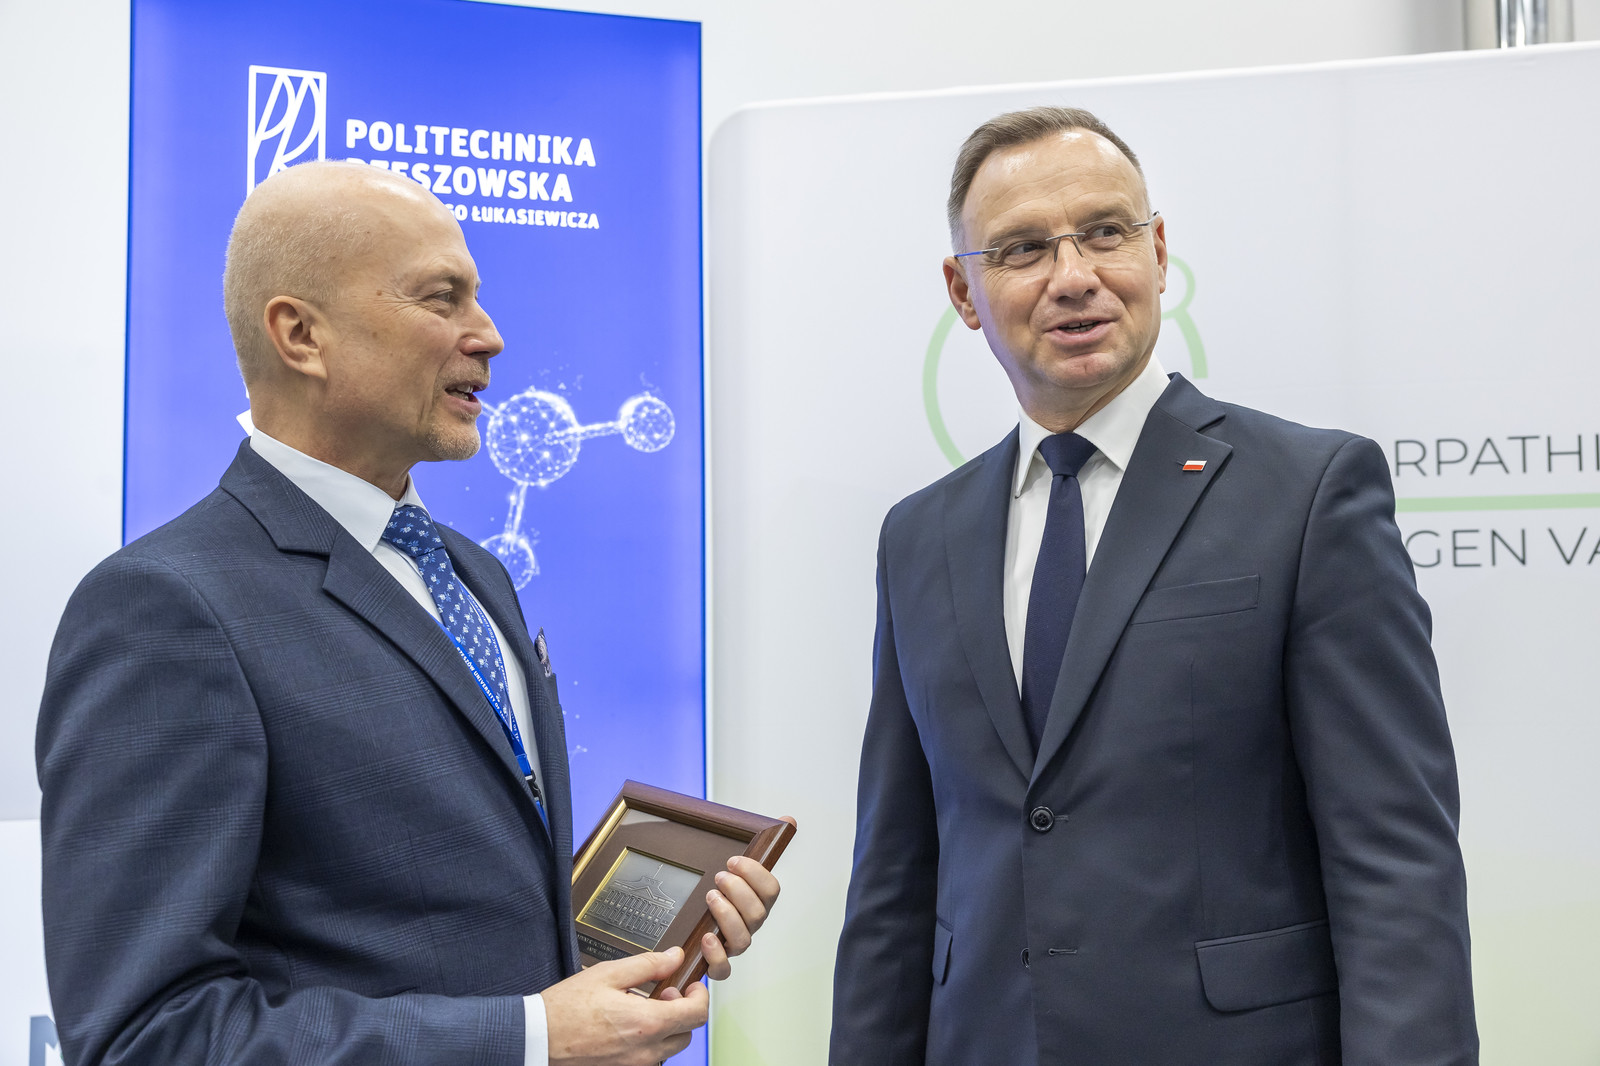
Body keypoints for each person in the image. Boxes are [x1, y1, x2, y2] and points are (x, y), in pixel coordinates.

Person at [37, 160, 780, 1066]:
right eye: (442, 298)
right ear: (301, 335)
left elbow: (444, 911)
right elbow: (149, 1037)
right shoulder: (166, 609)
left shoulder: (473, 573)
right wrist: (533, 1038)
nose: (490, 336)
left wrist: (645, 936)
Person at [829, 107, 1475, 1064]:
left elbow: (1396, 865)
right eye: (1022, 249)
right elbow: (893, 881)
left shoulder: (1308, 495)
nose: (1073, 276)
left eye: (1104, 231)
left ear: (1158, 252)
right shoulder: (919, 536)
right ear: (964, 292)